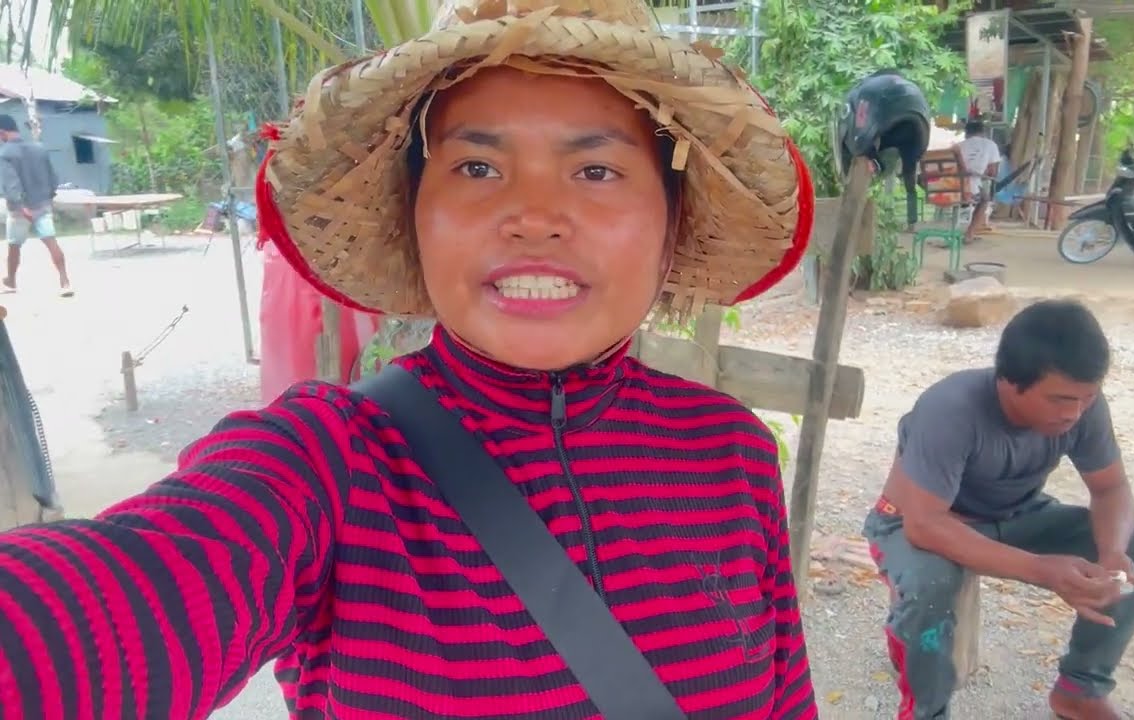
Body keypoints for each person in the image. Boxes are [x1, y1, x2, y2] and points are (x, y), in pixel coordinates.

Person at [0, 1, 818, 718]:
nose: (534, 216)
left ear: (670, 224)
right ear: (415, 215)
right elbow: (117, 598)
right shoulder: (326, 463)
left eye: (596, 169)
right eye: (477, 167)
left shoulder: (732, 453)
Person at [863, 299, 1134, 720]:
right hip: (917, 520)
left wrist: (1112, 552)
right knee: (929, 585)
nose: (1073, 414)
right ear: (1008, 381)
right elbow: (924, 525)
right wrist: (1042, 569)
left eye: (1086, 398)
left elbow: (1111, 488)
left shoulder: (1084, 408)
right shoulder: (950, 407)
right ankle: (926, 713)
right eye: (1059, 399)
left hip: (1016, 514)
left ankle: (1081, 690)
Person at [0, 113, 72, 297]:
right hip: (42, 204)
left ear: (2, 133)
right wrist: (49, 198)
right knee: (51, 240)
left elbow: (11, 182)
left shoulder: (4, 153)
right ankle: (64, 282)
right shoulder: (39, 148)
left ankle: (11, 281)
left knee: (14, 245)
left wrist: (21, 205)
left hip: (19, 209)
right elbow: (52, 178)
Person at [954, 118, 1001, 244]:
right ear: (983, 132)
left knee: (976, 192)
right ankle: (969, 234)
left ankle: (959, 228)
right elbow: (993, 172)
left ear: (966, 133)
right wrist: (981, 173)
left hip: (949, 190)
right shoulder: (990, 145)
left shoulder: (958, 146)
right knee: (985, 199)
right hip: (970, 191)